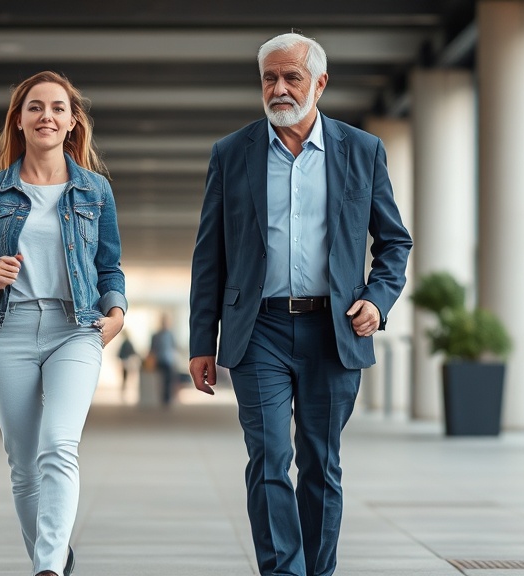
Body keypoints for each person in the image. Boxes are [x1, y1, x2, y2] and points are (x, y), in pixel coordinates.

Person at [188, 33, 412, 576]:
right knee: (268, 459)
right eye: (270, 78)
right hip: (257, 329)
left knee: (321, 464)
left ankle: (320, 571)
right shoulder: (231, 153)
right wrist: (202, 344)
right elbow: (209, 256)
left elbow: (394, 242)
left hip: (334, 332)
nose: (280, 88)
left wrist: (377, 302)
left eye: (292, 77)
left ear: (320, 83)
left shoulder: (361, 150)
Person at [0, 71, 127, 576]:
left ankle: (47, 568)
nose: (46, 116)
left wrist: (116, 311)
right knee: (23, 462)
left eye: (57, 108)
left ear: (72, 122)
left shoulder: (96, 190)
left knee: (59, 445)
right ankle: (54, 556)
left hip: (75, 328)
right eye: (35, 107)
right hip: (6, 330)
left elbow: (109, 265)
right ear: (19, 119)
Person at [148, 314, 178, 407]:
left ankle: (167, 399)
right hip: (159, 360)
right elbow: (152, 349)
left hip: (168, 360)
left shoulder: (170, 335)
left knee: (168, 380)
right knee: (159, 380)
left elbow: (174, 347)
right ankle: (160, 397)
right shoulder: (156, 335)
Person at [116, 333, 137, 401]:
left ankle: (125, 392)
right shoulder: (127, 343)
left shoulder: (125, 343)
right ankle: (125, 392)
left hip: (125, 362)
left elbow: (120, 353)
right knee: (126, 378)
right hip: (127, 362)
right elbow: (133, 351)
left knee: (125, 378)